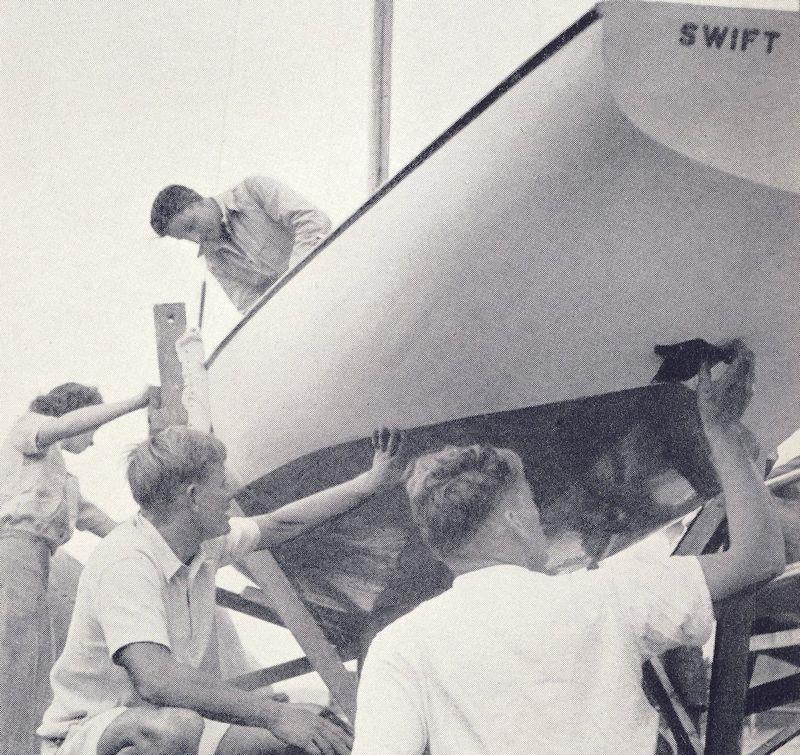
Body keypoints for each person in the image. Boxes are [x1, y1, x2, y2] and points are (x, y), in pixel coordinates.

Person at [353, 343, 786, 755]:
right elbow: (758, 559)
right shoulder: (603, 596)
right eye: (532, 505)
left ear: (440, 546)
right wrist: (721, 430)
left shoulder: (400, 646)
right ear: (514, 517)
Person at [39, 426, 405, 755]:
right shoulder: (126, 560)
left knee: (315, 739)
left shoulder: (204, 543)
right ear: (194, 497)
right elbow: (156, 680)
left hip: (165, 720)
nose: (231, 493)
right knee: (172, 730)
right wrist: (273, 713)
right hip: (86, 737)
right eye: (221, 484)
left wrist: (368, 482)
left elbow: (281, 523)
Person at [0, 383, 152, 755]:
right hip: (16, 543)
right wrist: (134, 401)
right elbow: (65, 426)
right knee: (15, 646)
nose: (93, 441)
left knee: (29, 653)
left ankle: (17, 741)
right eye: (93, 429)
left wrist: (147, 544)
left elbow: (92, 518)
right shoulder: (29, 429)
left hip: (36, 554)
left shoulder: (60, 477)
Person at [150, 176, 332, 313]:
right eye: (185, 238)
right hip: (302, 311)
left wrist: (296, 280)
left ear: (199, 201)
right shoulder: (215, 263)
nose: (196, 239)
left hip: (331, 277)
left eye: (191, 226)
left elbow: (313, 221)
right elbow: (250, 307)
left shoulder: (254, 191)